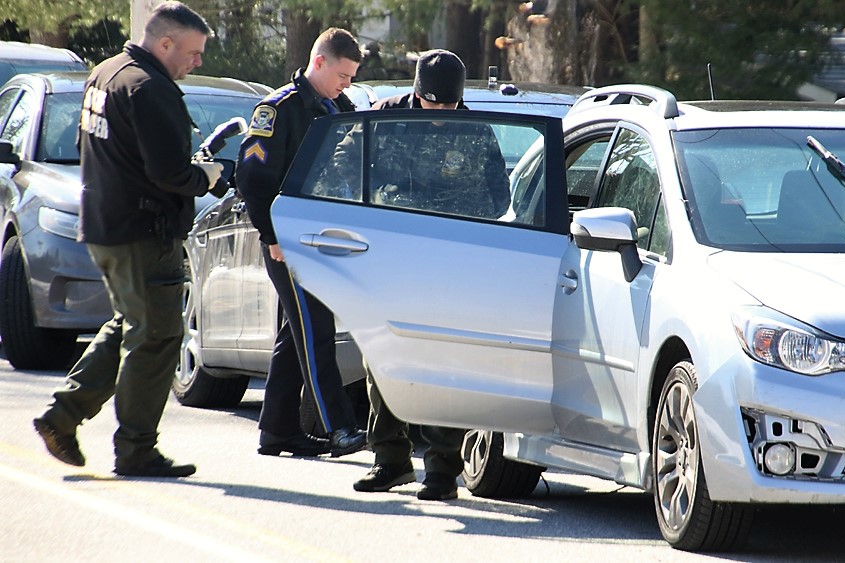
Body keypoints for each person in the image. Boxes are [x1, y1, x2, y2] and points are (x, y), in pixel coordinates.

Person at [33, 1, 224, 478]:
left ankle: (63, 415)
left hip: (104, 224)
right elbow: (170, 172)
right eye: (193, 52)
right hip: (142, 231)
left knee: (132, 324)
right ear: (165, 44)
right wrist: (207, 176)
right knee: (158, 336)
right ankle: (136, 448)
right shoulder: (148, 87)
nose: (196, 62)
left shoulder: (105, 73)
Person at [349, 49, 510, 500]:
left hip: (450, 263)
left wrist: (454, 216)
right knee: (381, 354)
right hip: (389, 258)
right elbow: (341, 171)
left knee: (444, 361)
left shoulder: (476, 130)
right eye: (431, 103)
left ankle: (442, 469)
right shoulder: (380, 120)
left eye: (448, 105)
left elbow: (499, 198)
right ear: (416, 91)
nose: (440, 113)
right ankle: (390, 460)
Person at [235, 28, 367, 458]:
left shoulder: (338, 108)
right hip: (288, 241)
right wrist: (271, 236)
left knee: (297, 336)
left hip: (324, 239)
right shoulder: (278, 111)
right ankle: (340, 428)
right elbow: (253, 180)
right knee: (316, 331)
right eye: (343, 74)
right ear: (319, 63)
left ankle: (277, 430)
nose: (347, 84)